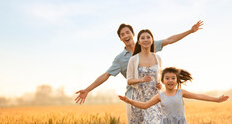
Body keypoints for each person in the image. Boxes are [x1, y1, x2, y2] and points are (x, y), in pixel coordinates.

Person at [75, 20, 204, 104]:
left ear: (133, 34)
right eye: (122, 34)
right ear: (120, 38)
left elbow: (169, 40)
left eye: (127, 33)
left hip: (152, 92)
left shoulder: (147, 44)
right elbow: (106, 75)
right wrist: (87, 90)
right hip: (134, 95)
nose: (126, 36)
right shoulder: (120, 58)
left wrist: (190, 31)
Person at [119, 67, 229, 124]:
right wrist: (130, 101)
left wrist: (216, 100)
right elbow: (145, 105)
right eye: (167, 78)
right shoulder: (160, 96)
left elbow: (198, 96)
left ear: (177, 80)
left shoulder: (181, 93)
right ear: (162, 81)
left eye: (173, 78)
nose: (170, 80)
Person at [126, 29, 163, 124]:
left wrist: (160, 84)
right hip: (139, 98)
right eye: (142, 38)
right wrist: (141, 79)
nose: (146, 40)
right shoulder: (133, 59)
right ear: (138, 41)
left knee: (156, 123)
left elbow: (159, 77)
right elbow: (129, 80)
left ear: (152, 40)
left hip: (154, 97)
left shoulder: (158, 58)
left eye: (148, 37)